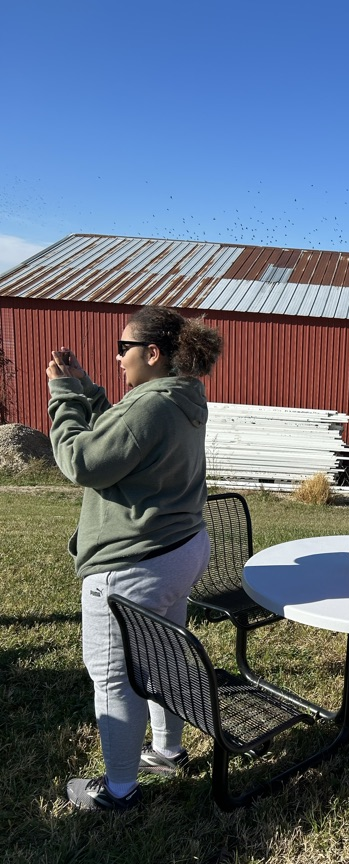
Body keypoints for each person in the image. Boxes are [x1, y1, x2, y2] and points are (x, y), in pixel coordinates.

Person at [47, 306, 223, 812]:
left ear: (152, 353)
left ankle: (119, 790)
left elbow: (82, 460)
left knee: (113, 675)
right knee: (160, 659)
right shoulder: (181, 396)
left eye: (123, 348)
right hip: (178, 551)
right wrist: (86, 388)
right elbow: (122, 429)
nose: (117, 357)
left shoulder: (151, 405)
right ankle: (168, 750)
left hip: (133, 566)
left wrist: (63, 396)